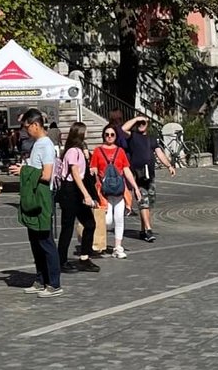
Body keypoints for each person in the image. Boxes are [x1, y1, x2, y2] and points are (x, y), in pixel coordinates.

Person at [9, 107, 62, 296]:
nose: (26, 131)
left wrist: (24, 171)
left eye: (27, 127)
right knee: (35, 241)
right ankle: (41, 279)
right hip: (34, 196)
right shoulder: (38, 143)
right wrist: (24, 167)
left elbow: (47, 174)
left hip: (42, 197)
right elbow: (37, 168)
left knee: (45, 241)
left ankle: (54, 283)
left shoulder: (46, 144)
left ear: (36, 125)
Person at [90, 123, 139, 259]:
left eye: (112, 134)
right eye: (107, 134)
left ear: (116, 136)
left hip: (119, 189)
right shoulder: (98, 151)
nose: (110, 137)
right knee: (107, 220)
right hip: (103, 190)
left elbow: (126, 169)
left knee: (119, 218)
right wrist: (92, 172)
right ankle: (98, 241)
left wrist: (134, 186)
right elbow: (93, 167)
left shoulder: (120, 151)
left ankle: (118, 247)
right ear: (103, 136)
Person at [122, 115, 175, 242]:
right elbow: (123, 128)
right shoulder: (132, 136)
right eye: (139, 122)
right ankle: (148, 230)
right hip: (138, 175)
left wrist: (169, 165)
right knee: (143, 201)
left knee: (148, 204)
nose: (141, 124)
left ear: (148, 124)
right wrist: (136, 119)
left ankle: (142, 230)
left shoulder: (152, 139)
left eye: (143, 122)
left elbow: (159, 152)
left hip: (150, 175)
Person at [55, 121, 97, 270]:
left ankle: (85, 257)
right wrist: (86, 195)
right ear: (80, 133)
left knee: (90, 223)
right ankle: (61, 260)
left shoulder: (78, 150)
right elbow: (75, 173)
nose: (87, 134)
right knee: (67, 227)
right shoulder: (73, 151)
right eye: (85, 131)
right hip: (71, 191)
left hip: (76, 191)